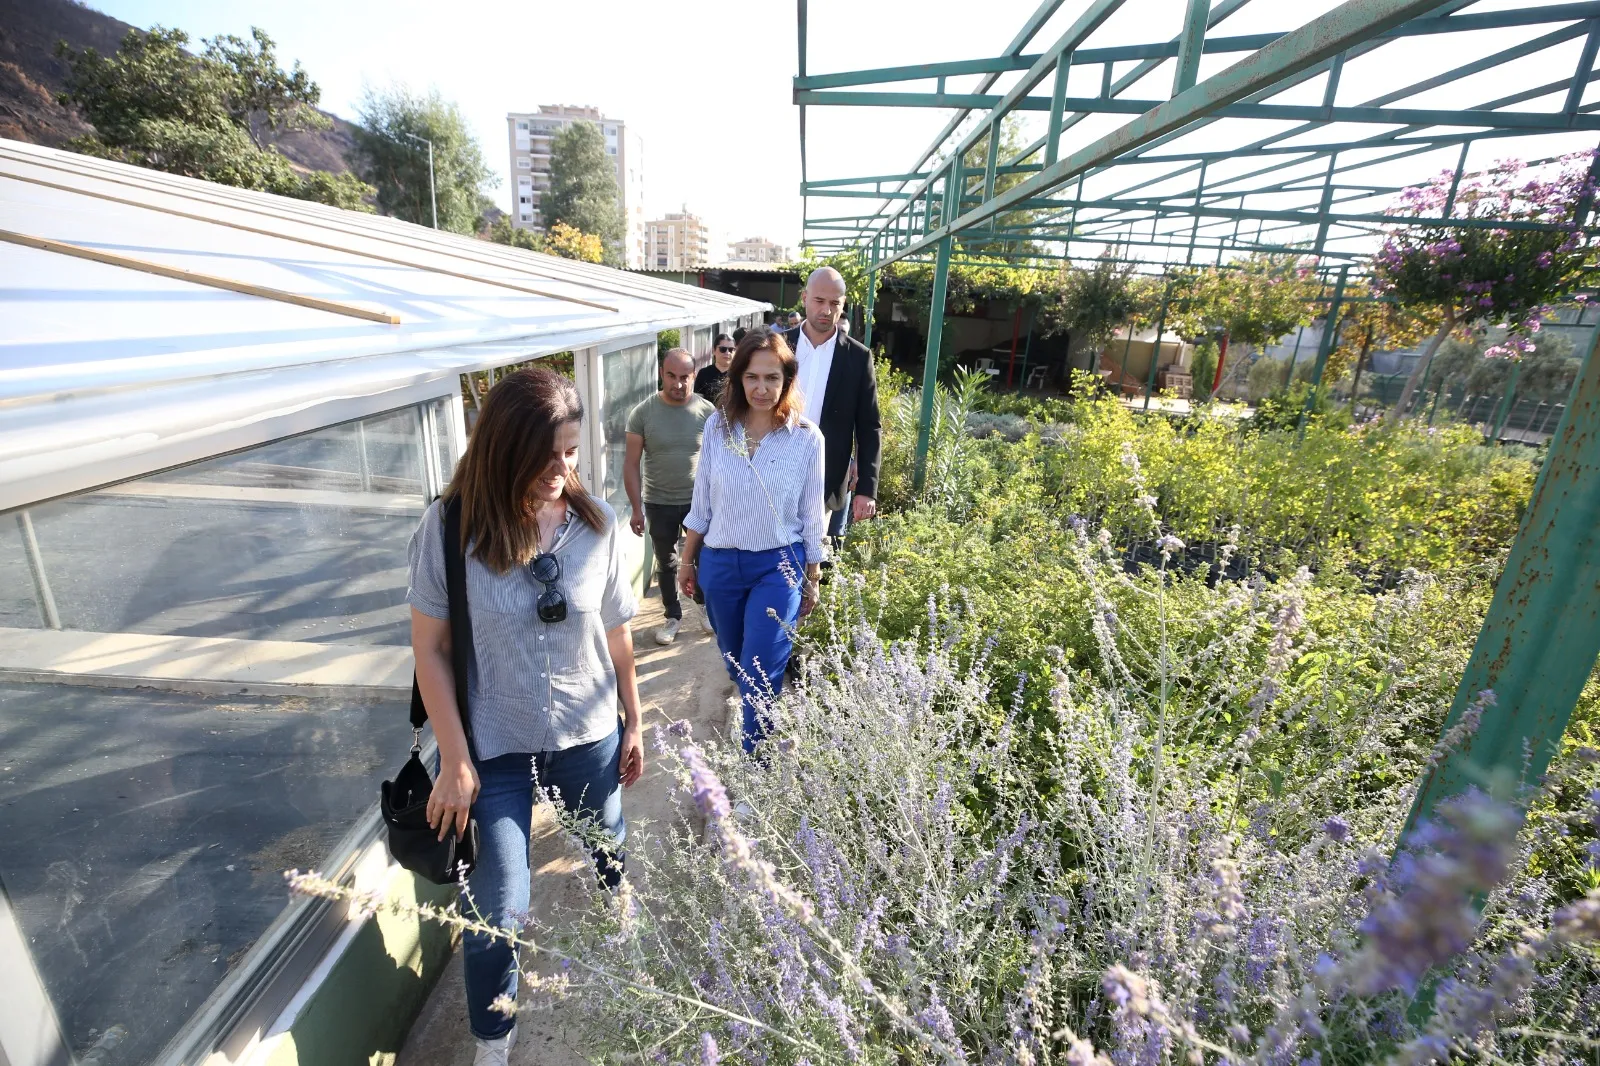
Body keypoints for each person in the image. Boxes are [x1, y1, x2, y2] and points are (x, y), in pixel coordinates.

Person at [407, 368, 644, 1066]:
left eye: (571, 453)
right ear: (502, 449)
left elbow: (617, 633)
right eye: (545, 458)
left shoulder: (595, 524)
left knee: (606, 839)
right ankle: (493, 1041)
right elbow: (432, 649)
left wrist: (634, 720)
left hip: (586, 729)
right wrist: (455, 758)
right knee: (497, 910)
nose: (560, 472)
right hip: (495, 745)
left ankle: (614, 894)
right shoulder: (450, 528)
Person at [679, 329, 825, 752]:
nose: (762, 388)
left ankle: (755, 765)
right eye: (752, 377)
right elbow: (702, 503)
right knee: (736, 659)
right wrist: (688, 562)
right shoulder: (717, 429)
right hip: (721, 566)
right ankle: (757, 717)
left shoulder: (806, 438)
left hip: (778, 568)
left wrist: (811, 575)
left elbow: (812, 515)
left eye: (772, 378)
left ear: (787, 380)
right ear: (738, 378)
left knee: (762, 669)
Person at [782, 266, 882, 547]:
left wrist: (866, 489)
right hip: (770, 471)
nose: (826, 310)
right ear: (804, 298)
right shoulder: (777, 346)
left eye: (834, 303)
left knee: (810, 559)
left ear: (843, 305)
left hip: (823, 480)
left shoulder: (858, 358)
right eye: (819, 301)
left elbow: (869, 425)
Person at [624, 347, 716, 644]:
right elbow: (630, 463)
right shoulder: (643, 413)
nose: (678, 383)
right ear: (661, 374)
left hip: (698, 502)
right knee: (667, 561)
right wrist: (636, 509)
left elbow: (722, 461)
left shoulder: (707, 412)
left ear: (693, 376)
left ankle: (702, 607)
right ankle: (672, 616)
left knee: (702, 558)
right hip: (659, 501)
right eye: (671, 376)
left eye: (685, 377)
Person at [694, 333, 737, 403]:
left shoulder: (739, 374)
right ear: (714, 350)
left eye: (731, 349)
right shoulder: (704, 373)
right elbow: (698, 401)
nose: (727, 353)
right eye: (723, 349)